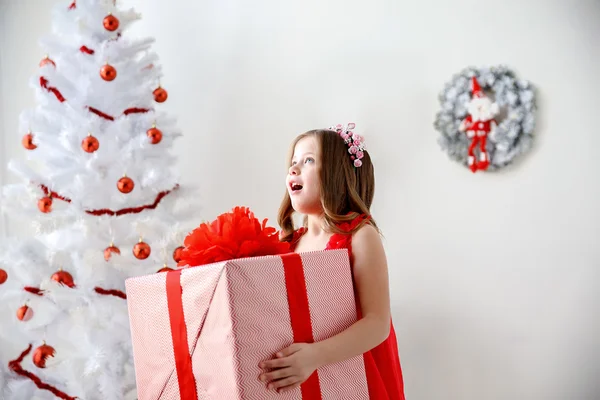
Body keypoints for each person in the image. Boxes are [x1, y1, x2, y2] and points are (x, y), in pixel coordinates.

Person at [258, 123, 406, 399]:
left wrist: (315, 355)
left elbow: (377, 323)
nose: (294, 169)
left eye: (308, 161)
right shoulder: (286, 244)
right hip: (302, 379)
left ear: (337, 174)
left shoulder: (361, 235)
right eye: (293, 163)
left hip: (352, 374)